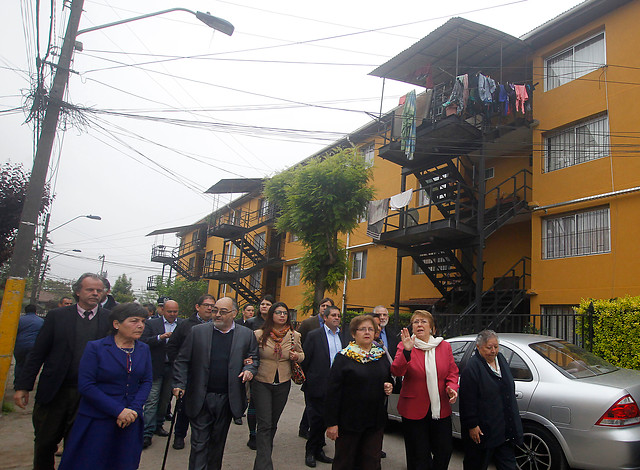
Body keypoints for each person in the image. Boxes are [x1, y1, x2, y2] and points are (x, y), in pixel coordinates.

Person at [14, 273, 111, 470]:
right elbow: (38, 352)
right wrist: (23, 386)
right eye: (90, 290)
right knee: (45, 442)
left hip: (88, 395)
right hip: (55, 391)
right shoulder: (57, 317)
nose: (95, 294)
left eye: (99, 291)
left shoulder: (109, 320)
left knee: (78, 445)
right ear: (77, 291)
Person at [58, 303, 152, 470]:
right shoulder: (96, 348)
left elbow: (146, 381)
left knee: (123, 462)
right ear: (116, 324)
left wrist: (134, 410)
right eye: (134, 321)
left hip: (130, 420)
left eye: (143, 321)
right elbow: (87, 386)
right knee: (91, 462)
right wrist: (118, 411)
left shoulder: (143, 349)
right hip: (98, 419)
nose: (140, 326)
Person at [172, 296, 259, 470]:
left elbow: (253, 359)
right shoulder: (198, 332)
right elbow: (182, 360)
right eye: (215, 311)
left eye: (223, 311)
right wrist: (179, 383)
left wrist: (249, 370)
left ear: (234, 313)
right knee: (199, 443)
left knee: (217, 443)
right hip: (201, 396)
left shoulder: (246, 334)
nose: (217, 315)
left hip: (228, 398)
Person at [391, 310, 459, 470]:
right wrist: (407, 352)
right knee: (418, 455)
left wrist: (452, 387)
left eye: (423, 321)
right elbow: (396, 371)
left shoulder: (444, 346)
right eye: (415, 322)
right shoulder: (405, 345)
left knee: (444, 450)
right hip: (414, 409)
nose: (419, 324)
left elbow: (452, 372)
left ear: (432, 328)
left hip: (440, 407)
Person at [325, 315, 393, 470]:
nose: (367, 332)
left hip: (374, 420)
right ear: (354, 334)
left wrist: (389, 385)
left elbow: (389, 378)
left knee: (371, 461)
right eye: (362, 329)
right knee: (345, 461)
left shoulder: (380, 356)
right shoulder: (344, 357)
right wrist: (331, 423)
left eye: (370, 329)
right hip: (349, 421)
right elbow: (332, 393)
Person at [459, 330, 523, 470]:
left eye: (496, 347)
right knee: (476, 464)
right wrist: (472, 425)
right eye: (489, 347)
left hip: (504, 428)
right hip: (484, 430)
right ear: (478, 347)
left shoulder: (501, 360)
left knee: (508, 465)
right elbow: (467, 400)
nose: (493, 351)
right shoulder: (472, 368)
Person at [252, 301, 304, 470]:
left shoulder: (293, 335)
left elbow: (302, 354)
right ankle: (264, 464)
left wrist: (297, 356)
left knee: (273, 423)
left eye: (285, 313)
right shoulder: (259, 334)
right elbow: (251, 354)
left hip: (283, 381)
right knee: (265, 423)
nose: (282, 315)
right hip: (262, 380)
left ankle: (264, 455)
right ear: (271, 315)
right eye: (278, 312)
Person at [167, 293, 215, 450]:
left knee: (206, 408)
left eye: (212, 306)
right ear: (197, 307)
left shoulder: (217, 324)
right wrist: (179, 365)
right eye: (207, 305)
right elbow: (173, 346)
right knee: (185, 408)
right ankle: (179, 435)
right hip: (189, 374)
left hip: (209, 374)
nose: (209, 308)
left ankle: (202, 438)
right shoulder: (186, 325)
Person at [301, 305, 345, 468]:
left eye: (338, 315)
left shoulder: (343, 335)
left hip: (337, 386)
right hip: (318, 385)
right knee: (316, 420)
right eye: (333, 315)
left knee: (329, 419)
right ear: (325, 318)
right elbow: (306, 360)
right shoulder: (314, 336)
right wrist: (311, 379)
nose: (336, 318)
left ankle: (320, 451)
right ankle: (311, 452)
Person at [141, 299, 182, 448]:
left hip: (172, 368)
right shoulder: (152, 324)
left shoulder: (181, 325)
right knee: (152, 399)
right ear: (163, 310)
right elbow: (143, 341)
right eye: (169, 311)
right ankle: (147, 432)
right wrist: (160, 337)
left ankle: (159, 425)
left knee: (165, 400)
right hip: (155, 367)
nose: (172, 314)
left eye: (175, 311)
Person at [298, 297, 334, 440]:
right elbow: (300, 344)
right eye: (323, 305)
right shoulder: (308, 323)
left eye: (328, 306)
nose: (325, 308)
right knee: (312, 405)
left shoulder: (335, 326)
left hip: (326, 373)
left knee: (317, 406)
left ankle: (309, 431)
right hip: (311, 370)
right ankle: (307, 431)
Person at [245, 294, 275, 449]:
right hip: (254, 366)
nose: (264, 306)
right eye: (262, 304)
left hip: (271, 369)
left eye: (268, 304)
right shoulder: (251, 323)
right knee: (254, 402)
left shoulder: (276, 323)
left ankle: (264, 432)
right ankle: (252, 434)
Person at [13, 304, 44, 390]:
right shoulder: (41, 321)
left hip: (20, 346)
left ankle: (17, 383)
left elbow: (14, 332)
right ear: (35, 311)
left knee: (19, 364)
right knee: (30, 366)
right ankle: (26, 385)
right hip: (33, 347)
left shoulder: (19, 320)